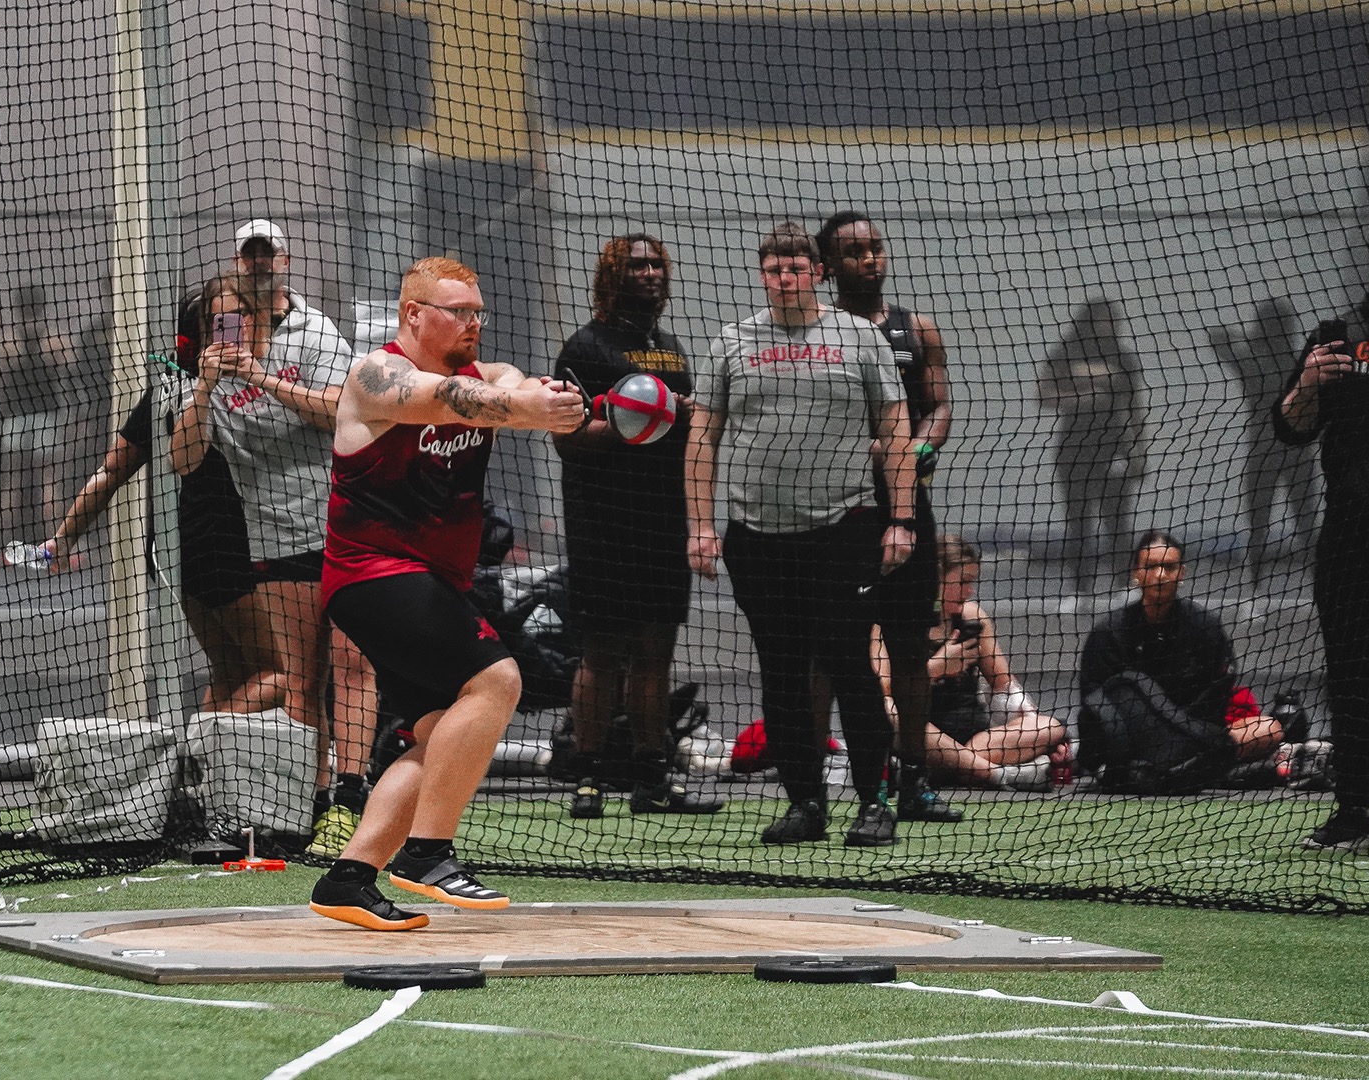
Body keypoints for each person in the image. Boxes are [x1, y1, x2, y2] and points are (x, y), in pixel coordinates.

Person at [308, 256, 585, 930]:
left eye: (477, 311)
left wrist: (553, 404)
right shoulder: (376, 376)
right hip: (372, 574)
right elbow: (449, 402)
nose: (473, 323)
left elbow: (509, 387)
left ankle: (350, 878)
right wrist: (526, 406)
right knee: (497, 683)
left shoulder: (484, 375)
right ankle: (427, 852)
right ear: (413, 315)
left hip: (431, 583)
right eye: (457, 311)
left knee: (438, 738)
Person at [685, 222, 917, 848]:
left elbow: (896, 431)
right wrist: (700, 527)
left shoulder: (861, 338)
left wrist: (901, 520)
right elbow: (702, 436)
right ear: (762, 275)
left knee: (851, 667)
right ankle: (805, 804)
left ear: (817, 273)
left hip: (845, 527)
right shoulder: (733, 342)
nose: (784, 280)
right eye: (772, 271)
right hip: (757, 537)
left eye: (795, 269)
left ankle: (874, 803)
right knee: (781, 672)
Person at [217, 219, 380, 856]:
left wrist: (263, 379)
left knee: (352, 666)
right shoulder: (219, 338)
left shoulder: (314, 332)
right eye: (249, 255)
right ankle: (305, 807)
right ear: (236, 262)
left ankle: (350, 797)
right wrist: (205, 380)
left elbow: (341, 407)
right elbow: (209, 445)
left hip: (338, 522)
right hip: (270, 530)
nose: (260, 264)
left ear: (284, 260)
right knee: (297, 679)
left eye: (269, 254)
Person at [48, 279, 279, 718]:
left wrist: (62, 540)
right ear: (198, 337)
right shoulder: (199, 390)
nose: (238, 328)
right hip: (222, 547)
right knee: (285, 674)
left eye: (244, 316)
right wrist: (61, 541)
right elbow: (120, 469)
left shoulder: (175, 388)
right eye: (223, 322)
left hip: (179, 550)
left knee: (229, 674)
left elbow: (110, 471)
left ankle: (200, 774)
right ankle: (195, 750)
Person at [551, 233, 720, 818]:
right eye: (635, 265)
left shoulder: (671, 349)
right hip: (603, 521)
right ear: (611, 276)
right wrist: (637, 419)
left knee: (655, 653)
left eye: (655, 265)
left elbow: (693, 438)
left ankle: (652, 779)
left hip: (663, 519)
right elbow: (567, 439)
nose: (648, 274)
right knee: (601, 653)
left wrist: (684, 417)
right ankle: (588, 777)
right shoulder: (586, 347)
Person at [1272, 203, 1369, 852]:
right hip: (1354, 537)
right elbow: (1290, 429)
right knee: (1354, 677)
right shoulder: (1336, 335)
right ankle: (1356, 815)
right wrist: (1306, 383)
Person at [816, 209, 961, 824]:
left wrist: (922, 446)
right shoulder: (814, 332)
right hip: (836, 513)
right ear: (827, 268)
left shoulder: (915, 328)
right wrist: (878, 449)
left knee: (908, 649)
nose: (869, 259)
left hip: (908, 510)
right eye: (854, 252)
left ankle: (915, 785)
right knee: (836, 652)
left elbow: (940, 404)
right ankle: (830, 786)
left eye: (876, 248)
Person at [1078, 531, 1282, 794]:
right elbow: (1097, 704)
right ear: (1136, 573)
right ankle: (1195, 772)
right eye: (1151, 567)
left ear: (1182, 573)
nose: (1160, 575)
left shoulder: (1205, 626)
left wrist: (1186, 734)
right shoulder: (1108, 634)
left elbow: (1217, 696)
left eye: (1169, 567)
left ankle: (1175, 772)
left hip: (1195, 739)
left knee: (1269, 729)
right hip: (1135, 745)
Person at [919, 535, 1067, 790]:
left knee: (1051, 727)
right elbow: (884, 692)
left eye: (972, 582)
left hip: (978, 741)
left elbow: (1004, 688)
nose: (969, 591)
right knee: (892, 714)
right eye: (962, 582)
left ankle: (959, 769)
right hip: (925, 736)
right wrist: (935, 669)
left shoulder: (972, 617)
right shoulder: (903, 621)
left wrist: (1029, 719)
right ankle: (997, 773)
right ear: (936, 577)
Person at [1037, 299, 1147, 593]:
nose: (1112, 326)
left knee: (1118, 522)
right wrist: (1084, 396)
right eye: (1105, 320)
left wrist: (1139, 452)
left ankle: (1125, 586)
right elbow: (1044, 394)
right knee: (1078, 523)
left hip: (1114, 447)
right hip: (1074, 448)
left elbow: (1135, 406)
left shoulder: (1123, 357)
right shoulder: (1067, 351)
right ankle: (1080, 589)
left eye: (1115, 320)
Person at [1210, 298, 1319, 585]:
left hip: (1267, 451)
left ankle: (1254, 587)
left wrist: (1248, 337)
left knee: (1260, 524)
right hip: (1294, 449)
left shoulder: (1255, 360)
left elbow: (1218, 338)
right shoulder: (1299, 361)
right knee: (1303, 522)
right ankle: (1319, 584)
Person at [0, 283, 73, 543]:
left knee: (12, 483)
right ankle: (53, 545)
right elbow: (72, 373)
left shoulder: (8, 342)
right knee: (49, 482)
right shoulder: (55, 341)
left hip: (16, 416)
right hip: (46, 415)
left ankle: (6, 548)